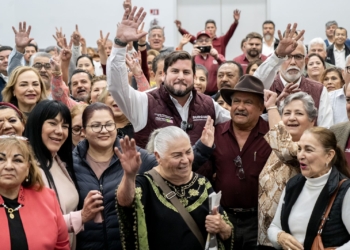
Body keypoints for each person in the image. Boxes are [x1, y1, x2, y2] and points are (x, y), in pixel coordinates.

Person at [108, 6, 230, 149]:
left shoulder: (209, 105)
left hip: (200, 172)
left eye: (186, 72)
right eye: (174, 71)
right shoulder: (145, 101)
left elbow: (240, 122)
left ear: (194, 76)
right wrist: (120, 44)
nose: (180, 77)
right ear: (164, 75)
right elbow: (116, 88)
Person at [116, 126, 234, 249]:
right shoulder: (146, 184)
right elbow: (125, 202)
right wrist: (129, 175)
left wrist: (221, 227)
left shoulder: (202, 183)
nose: (185, 160)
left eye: (188, 152)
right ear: (158, 157)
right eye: (177, 155)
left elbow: (227, 232)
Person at [72, 102, 157, 249]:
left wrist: (202, 150)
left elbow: (170, 166)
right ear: (84, 131)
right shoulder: (71, 162)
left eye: (109, 124)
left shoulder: (134, 155)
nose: (104, 130)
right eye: (96, 125)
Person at [203, 75, 272, 250]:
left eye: (248, 102)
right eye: (236, 101)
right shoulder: (216, 133)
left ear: (261, 107)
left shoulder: (272, 136)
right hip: (222, 217)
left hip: (259, 220)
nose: (240, 107)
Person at [25, 100, 103, 249]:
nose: (60, 131)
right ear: (36, 125)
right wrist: (81, 216)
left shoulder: (60, 162)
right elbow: (34, 223)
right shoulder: (27, 168)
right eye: (52, 123)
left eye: (65, 126)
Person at [267, 127, 350, 249]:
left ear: (329, 155)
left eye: (308, 150)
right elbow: (274, 227)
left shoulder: (345, 190)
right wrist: (280, 237)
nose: (300, 155)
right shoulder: (293, 184)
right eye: (299, 149)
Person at [258, 90, 317, 248]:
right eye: (287, 113)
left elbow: (286, 150)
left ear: (312, 121)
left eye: (299, 113)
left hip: (293, 240)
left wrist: (271, 107)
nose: (291, 118)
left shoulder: (311, 149)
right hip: (267, 239)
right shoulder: (276, 148)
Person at [254, 23, 333, 128]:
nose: (292, 62)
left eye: (298, 57)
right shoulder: (268, 85)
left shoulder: (319, 89)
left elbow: (325, 130)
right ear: (280, 59)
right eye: (286, 57)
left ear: (306, 61)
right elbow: (253, 83)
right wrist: (277, 54)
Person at [0, 136, 70, 249]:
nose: (9, 166)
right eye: (1, 159)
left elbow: (62, 245)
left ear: (27, 168)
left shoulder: (48, 198)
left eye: (17, 160)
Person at [174, 9, 241, 57]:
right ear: (205, 29)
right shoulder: (199, 41)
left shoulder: (222, 40)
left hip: (218, 66)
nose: (210, 29)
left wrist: (235, 22)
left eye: (212, 27)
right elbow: (188, 36)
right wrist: (180, 28)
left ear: (216, 29)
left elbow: (230, 32)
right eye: (208, 28)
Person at [192, 30, 225, 95]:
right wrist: (191, 58)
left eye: (207, 41)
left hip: (214, 94)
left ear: (211, 42)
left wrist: (217, 57)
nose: (204, 43)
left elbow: (227, 67)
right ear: (196, 43)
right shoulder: (192, 57)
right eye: (201, 41)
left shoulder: (217, 56)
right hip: (195, 93)